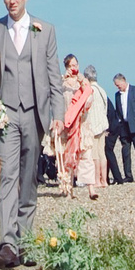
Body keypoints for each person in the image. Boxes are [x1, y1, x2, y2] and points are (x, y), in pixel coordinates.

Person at [0, 0, 62, 269]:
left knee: (29, 178)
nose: (12, 1)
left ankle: (26, 241)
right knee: (7, 175)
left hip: (34, 113)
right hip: (5, 113)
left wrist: (58, 116)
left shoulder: (45, 30)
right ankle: (8, 244)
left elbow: (54, 77)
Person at [57, 58, 104, 200]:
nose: (74, 68)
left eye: (75, 65)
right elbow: (53, 96)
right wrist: (62, 79)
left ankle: (91, 188)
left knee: (86, 156)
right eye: (71, 65)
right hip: (67, 124)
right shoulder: (61, 83)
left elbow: (89, 97)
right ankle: (68, 189)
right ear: (66, 67)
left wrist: (81, 80)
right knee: (67, 156)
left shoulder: (83, 83)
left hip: (82, 124)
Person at [106, 72, 135, 184]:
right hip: (124, 127)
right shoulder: (117, 95)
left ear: (123, 81)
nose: (117, 87)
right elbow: (118, 112)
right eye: (116, 85)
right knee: (125, 152)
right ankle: (128, 175)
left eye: (118, 84)